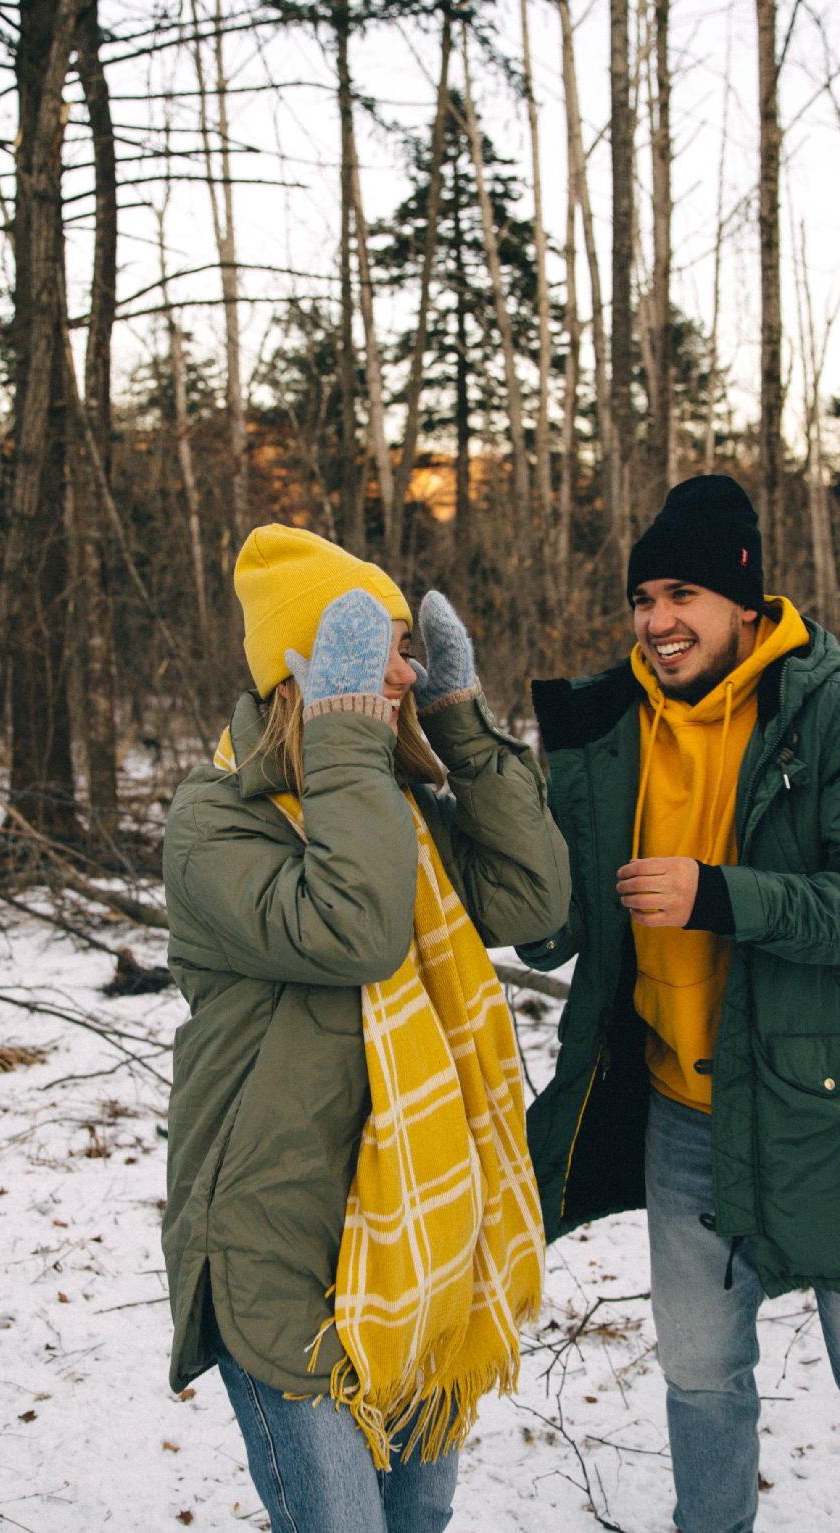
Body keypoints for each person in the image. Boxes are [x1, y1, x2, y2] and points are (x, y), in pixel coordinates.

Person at [519, 475, 840, 1533]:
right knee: (699, 1384)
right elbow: (556, 919)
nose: (656, 622)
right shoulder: (610, 727)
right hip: (683, 1119)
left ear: (742, 601)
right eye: (640, 599)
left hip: (831, 1115)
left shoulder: (835, 716)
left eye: (679, 594)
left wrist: (717, 895)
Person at [161, 524, 570, 1533]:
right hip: (278, 1260)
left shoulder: (384, 811)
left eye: (403, 647)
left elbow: (531, 902)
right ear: (305, 672)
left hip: (415, 1251)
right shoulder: (214, 825)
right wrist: (351, 734)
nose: (406, 666)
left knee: (415, 1519)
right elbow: (357, 933)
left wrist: (460, 725)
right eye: (378, 648)